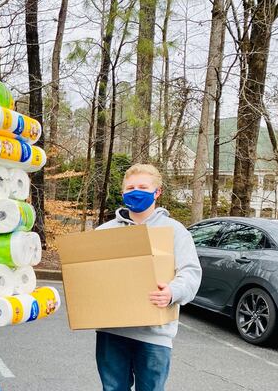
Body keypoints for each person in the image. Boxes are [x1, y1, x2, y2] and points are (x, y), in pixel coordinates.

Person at [95, 164, 201, 391]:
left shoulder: (175, 231)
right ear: (123, 193)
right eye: (130, 187)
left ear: (157, 192)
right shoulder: (104, 232)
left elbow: (191, 273)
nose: (136, 191)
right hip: (112, 332)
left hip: (155, 334)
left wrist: (173, 292)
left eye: (143, 187)